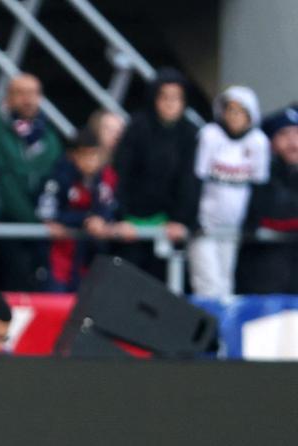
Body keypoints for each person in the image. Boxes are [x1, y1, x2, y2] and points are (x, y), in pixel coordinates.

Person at [0, 73, 63, 291]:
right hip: (6, 228)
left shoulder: (47, 133)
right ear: (8, 97)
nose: (28, 99)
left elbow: (56, 178)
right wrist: (36, 222)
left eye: (33, 93)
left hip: (42, 230)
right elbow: (2, 184)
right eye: (21, 93)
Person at [186, 86, 270, 298]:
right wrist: (191, 217)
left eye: (240, 111)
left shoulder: (258, 141)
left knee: (225, 284)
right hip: (205, 224)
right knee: (207, 284)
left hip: (233, 226)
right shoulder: (210, 135)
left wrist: (252, 221)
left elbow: (259, 184)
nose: (234, 116)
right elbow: (196, 177)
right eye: (230, 110)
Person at [112, 68, 197, 275]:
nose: (170, 103)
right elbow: (121, 174)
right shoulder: (137, 127)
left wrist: (179, 220)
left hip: (168, 226)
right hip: (131, 224)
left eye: (176, 98)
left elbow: (189, 182)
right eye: (164, 97)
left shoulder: (189, 133)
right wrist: (121, 217)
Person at [36, 128, 122, 292]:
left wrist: (103, 221)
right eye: (85, 155)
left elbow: (111, 207)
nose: (90, 161)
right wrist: (84, 220)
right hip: (59, 256)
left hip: (90, 258)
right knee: (57, 300)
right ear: (73, 155)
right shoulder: (59, 177)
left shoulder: (105, 178)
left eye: (94, 155)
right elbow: (46, 212)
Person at [236, 106, 298, 293]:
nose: (293, 142)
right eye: (284, 134)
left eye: (297, 133)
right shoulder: (260, 172)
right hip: (264, 273)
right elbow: (272, 212)